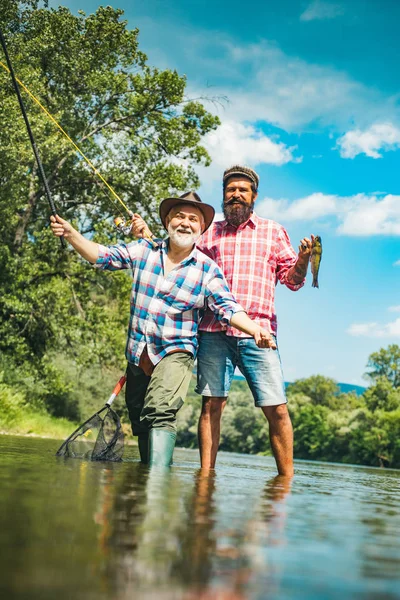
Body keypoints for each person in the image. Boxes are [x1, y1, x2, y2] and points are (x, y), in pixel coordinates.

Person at [50, 191, 275, 467]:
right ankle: (145, 481)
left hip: (175, 352)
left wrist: (255, 330)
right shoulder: (143, 250)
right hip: (137, 353)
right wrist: (72, 234)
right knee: (140, 418)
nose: (185, 223)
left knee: (160, 410)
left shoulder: (207, 270)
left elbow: (229, 307)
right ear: (168, 221)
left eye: (193, 219)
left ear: (201, 229)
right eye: (179, 216)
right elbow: (102, 256)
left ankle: (156, 486)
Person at [132, 167, 313, 476]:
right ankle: (206, 478)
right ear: (224, 196)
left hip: (259, 332)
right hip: (212, 331)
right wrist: (145, 236)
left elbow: (292, 280)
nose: (236, 194)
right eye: (231, 190)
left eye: (243, 190)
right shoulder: (209, 233)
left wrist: (304, 260)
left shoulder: (273, 231)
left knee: (277, 409)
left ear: (254, 196)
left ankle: (286, 482)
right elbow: (176, 254)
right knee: (211, 406)